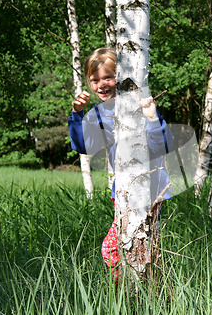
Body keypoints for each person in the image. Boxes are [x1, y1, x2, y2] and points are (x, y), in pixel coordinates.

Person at [68, 48, 172, 284]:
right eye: (94, 80)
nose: (101, 84)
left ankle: (126, 292)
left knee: (113, 248)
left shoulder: (141, 106)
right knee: (138, 249)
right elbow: (84, 145)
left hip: (150, 188)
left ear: (121, 76)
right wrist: (77, 114)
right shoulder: (97, 112)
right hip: (122, 189)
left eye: (108, 77)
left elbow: (162, 145)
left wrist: (153, 118)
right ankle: (142, 293)